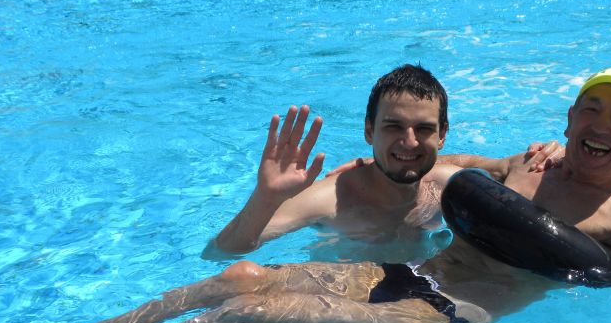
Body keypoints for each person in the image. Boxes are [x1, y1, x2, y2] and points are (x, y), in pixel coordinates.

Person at [0, 68, 611, 323]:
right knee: (240, 278)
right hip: (404, 273)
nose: (602, 124)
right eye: (592, 109)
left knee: (257, 313)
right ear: (569, 119)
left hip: (448, 314)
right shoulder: (525, 165)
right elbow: (447, 166)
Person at [204, 63, 560, 261]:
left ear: (442, 135)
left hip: (421, 299)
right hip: (341, 314)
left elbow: (513, 169)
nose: (409, 141)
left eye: (424, 129)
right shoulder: (330, 199)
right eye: (393, 127)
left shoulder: (446, 184)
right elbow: (221, 252)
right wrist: (265, 197)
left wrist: (554, 155)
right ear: (368, 131)